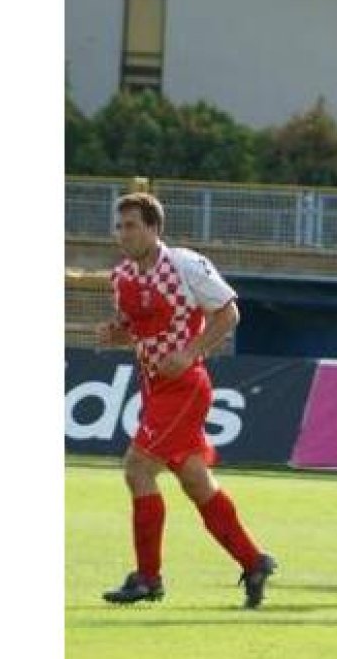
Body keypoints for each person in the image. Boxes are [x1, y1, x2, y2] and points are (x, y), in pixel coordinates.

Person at [95, 192, 277, 608]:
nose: (123, 234)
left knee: (137, 468)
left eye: (132, 225)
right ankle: (253, 561)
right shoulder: (121, 277)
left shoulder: (184, 263)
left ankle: (148, 577)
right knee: (196, 482)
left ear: (155, 228)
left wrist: (191, 352)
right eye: (119, 226)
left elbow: (229, 312)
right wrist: (116, 335)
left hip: (185, 387)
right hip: (154, 387)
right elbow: (139, 330)